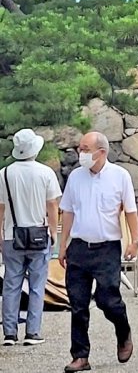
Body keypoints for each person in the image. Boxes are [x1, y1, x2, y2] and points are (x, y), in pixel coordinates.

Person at [58, 131, 138, 373]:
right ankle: (80, 355)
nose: (80, 153)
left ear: (101, 152)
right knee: (78, 304)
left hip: (107, 248)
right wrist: (62, 245)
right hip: (80, 247)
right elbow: (68, 211)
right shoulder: (75, 177)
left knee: (108, 300)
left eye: (85, 149)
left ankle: (123, 331)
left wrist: (134, 241)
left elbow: (130, 211)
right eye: (80, 148)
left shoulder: (120, 176)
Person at [0, 128, 61, 347]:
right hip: (38, 234)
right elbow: (52, 205)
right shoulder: (45, 173)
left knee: (11, 284)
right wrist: (53, 231)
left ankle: (9, 333)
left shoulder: (4, 174)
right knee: (37, 285)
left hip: (10, 235)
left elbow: (0, 208)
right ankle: (32, 333)